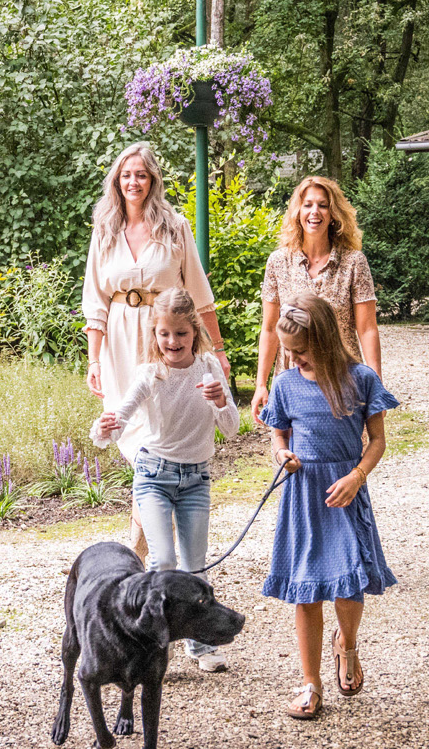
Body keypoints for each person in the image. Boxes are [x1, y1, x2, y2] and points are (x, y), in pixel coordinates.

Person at [82, 142, 232, 552]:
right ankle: (146, 542)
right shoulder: (105, 230)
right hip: (118, 341)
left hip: (165, 338)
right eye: (127, 175)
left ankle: (142, 546)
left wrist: (216, 349)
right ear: (117, 180)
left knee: (158, 433)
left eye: (142, 175)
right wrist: (94, 359)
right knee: (130, 433)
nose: (134, 182)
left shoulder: (174, 226)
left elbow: (199, 294)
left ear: (152, 181)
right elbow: (95, 300)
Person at [260, 293, 398, 719]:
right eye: (288, 351)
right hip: (303, 493)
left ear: (323, 339)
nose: (294, 358)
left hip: (345, 491)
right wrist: (281, 454)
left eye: (301, 351)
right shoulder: (285, 385)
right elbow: (278, 435)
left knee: (349, 586)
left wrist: (357, 477)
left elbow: (377, 443)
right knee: (306, 591)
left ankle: (347, 644)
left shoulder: (360, 379)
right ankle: (310, 683)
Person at [91, 288, 242, 671]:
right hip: (153, 475)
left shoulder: (208, 368)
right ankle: (150, 649)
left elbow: (232, 429)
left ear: (195, 332)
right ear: (154, 334)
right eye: (164, 334)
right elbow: (114, 424)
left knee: (194, 565)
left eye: (180, 334)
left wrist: (219, 401)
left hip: (196, 478)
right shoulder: (150, 373)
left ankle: (200, 645)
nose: (172, 342)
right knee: (163, 560)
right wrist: (105, 426)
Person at [251, 176, 380, 422]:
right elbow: (268, 329)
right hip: (292, 380)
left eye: (323, 205)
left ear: (334, 214)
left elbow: (367, 329)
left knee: (347, 455)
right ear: (297, 211)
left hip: (344, 379)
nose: (315, 212)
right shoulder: (278, 262)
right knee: (292, 454)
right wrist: (261, 384)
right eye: (308, 204)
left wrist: (375, 384)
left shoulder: (354, 262)